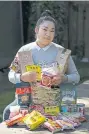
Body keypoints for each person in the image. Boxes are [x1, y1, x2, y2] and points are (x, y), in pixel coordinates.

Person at [3, 10, 80, 121]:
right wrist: (21, 77)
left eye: (52, 31)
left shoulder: (61, 52)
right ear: (37, 30)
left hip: (53, 104)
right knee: (7, 111)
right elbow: (11, 74)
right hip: (27, 102)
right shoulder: (25, 50)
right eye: (45, 29)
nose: (48, 34)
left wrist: (64, 78)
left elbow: (76, 77)